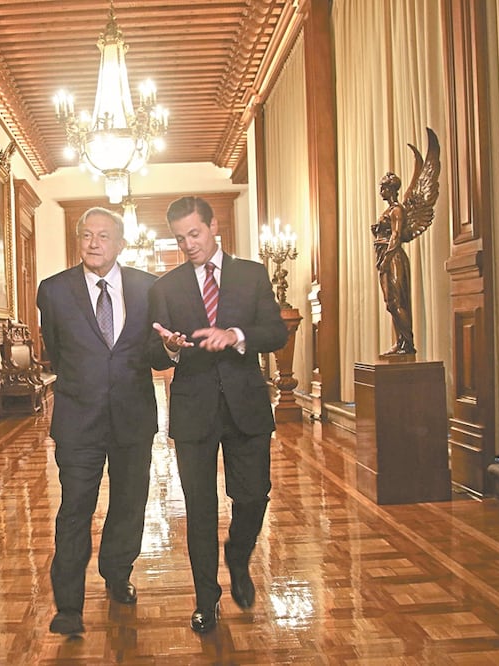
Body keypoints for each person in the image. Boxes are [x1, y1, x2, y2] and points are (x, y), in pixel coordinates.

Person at [148, 196, 287, 634]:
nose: (189, 244)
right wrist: (169, 346)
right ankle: (206, 599)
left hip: (246, 405)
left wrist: (236, 335)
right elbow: (155, 348)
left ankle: (239, 555)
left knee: (253, 496)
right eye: (180, 238)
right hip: (193, 410)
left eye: (195, 233)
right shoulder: (166, 287)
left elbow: (277, 332)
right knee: (200, 509)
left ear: (212, 229)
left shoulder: (251, 274)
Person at [37, 207, 158, 636]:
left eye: (103, 236)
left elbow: (155, 353)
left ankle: (116, 571)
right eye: (86, 235)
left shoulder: (148, 288)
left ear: (120, 243)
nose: (93, 243)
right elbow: (56, 349)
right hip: (78, 420)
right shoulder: (52, 291)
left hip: (133, 417)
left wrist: (175, 351)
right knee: (74, 510)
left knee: (129, 504)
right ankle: (68, 607)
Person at [372, 172, 414, 354]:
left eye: (383, 187)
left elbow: (396, 236)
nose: (381, 190)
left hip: (393, 257)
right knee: (390, 303)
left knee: (397, 301)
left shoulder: (397, 210)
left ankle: (408, 342)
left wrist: (387, 258)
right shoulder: (387, 211)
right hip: (384, 255)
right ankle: (400, 342)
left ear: (391, 189)